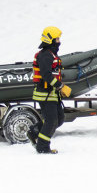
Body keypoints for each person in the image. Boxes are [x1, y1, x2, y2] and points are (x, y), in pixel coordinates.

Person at [29, 26, 71, 154]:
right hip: (45, 94)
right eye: (57, 39)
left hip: (52, 94)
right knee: (51, 121)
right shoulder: (45, 55)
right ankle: (42, 147)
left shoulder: (51, 54)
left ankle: (35, 132)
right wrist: (60, 86)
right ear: (50, 40)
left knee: (59, 118)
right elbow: (46, 75)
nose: (59, 41)